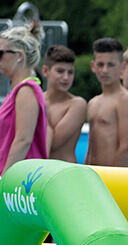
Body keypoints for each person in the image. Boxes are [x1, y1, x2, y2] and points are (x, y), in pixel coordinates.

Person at [0, 23, 47, 175]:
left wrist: (4, 180)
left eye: (0, 53)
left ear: (19, 56)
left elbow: (23, 140)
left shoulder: (26, 90)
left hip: (21, 181)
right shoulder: (18, 91)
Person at [85, 37, 128, 167]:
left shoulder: (125, 99)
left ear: (123, 67)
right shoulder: (92, 103)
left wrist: (112, 178)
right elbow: (90, 147)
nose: (105, 70)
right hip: (94, 175)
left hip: (114, 178)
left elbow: (125, 146)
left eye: (111, 65)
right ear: (93, 66)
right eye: (100, 64)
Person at [41, 45, 85, 164]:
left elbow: (53, 144)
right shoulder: (36, 100)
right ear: (45, 71)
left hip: (65, 173)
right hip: (40, 173)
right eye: (60, 71)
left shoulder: (77, 104)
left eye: (70, 72)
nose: (66, 77)